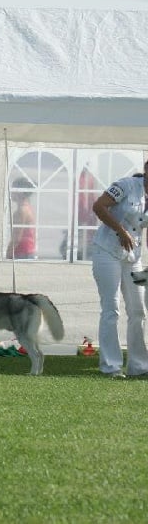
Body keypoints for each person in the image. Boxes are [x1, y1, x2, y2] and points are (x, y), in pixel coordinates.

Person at [90, 162, 148, 379]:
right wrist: (121, 231)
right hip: (107, 251)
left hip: (133, 256)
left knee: (138, 310)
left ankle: (139, 366)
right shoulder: (126, 185)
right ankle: (111, 366)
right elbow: (98, 206)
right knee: (111, 309)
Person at [6, 177, 37, 259]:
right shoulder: (27, 208)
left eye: (13, 190)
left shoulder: (21, 211)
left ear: (20, 192)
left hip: (22, 253)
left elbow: (16, 238)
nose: (11, 192)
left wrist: (8, 254)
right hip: (28, 251)